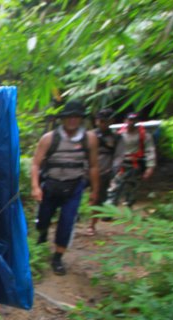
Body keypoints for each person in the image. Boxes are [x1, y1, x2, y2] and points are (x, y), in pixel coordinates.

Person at [30, 100, 99, 275]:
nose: (72, 120)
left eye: (76, 117)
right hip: (51, 185)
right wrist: (35, 187)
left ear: (81, 119)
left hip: (74, 187)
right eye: (69, 117)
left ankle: (58, 258)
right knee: (43, 218)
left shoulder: (89, 139)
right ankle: (43, 232)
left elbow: (93, 166)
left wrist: (95, 191)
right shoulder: (49, 139)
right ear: (63, 119)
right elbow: (36, 164)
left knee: (67, 222)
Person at [106, 112, 156, 207]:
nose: (131, 122)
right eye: (129, 120)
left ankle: (128, 208)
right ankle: (110, 209)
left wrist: (150, 167)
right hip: (121, 165)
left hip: (135, 165)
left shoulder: (144, 135)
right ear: (125, 121)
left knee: (131, 188)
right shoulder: (119, 134)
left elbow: (150, 150)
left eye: (134, 120)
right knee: (114, 187)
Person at [86, 108, 122, 235]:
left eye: (106, 121)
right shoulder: (88, 135)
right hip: (85, 171)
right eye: (101, 121)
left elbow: (118, 155)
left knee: (98, 199)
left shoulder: (116, 138)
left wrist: (114, 170)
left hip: (104, 171)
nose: (103, 124)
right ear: (96, 121)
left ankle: (92, 225)